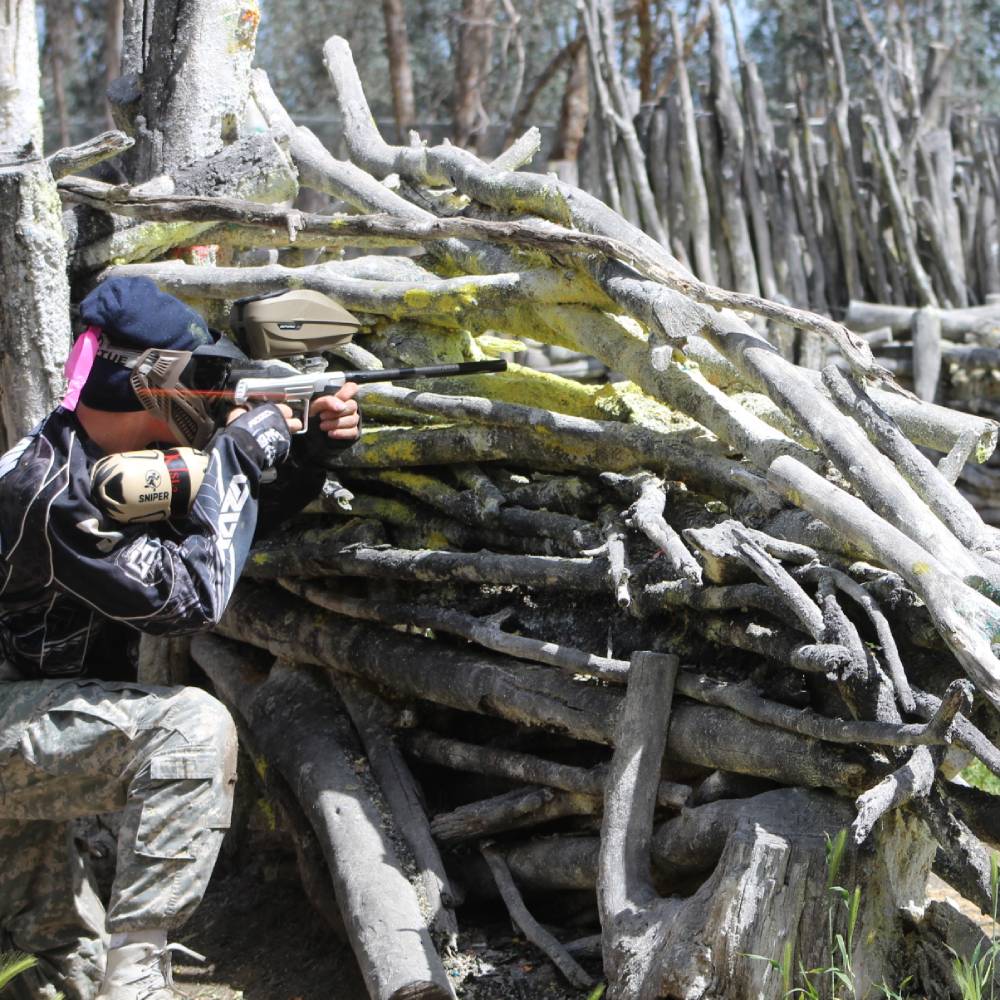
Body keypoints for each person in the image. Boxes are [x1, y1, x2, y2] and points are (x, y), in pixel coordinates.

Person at [0, 276, 360, 1000]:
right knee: (189, 728)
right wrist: (233, 457)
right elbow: (190, 597)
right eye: (201, 380)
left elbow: (210, 545)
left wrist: (306, 455)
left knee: (57, 972)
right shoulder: (43, 491)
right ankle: (138, 983)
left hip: (20, 721)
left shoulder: (93, 465)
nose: (212, 397)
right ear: (150, 382)